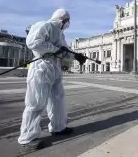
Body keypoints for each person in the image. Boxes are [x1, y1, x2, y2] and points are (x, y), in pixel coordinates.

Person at [18, 8, 87, 151]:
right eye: (67, 21)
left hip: (55, 69)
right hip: (41, 68)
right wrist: (55, 49)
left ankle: (58, 127)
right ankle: (27, 138)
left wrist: (76, 56)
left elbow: (65, 52)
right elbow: (33, 42)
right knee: (36, 102)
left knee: (58, 99)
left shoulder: (61, 34)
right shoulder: (44, 25)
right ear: (62, 19)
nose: (68, 24)